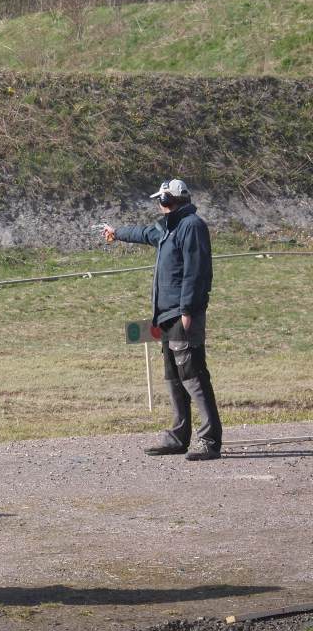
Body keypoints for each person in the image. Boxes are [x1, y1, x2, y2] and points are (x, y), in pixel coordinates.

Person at [103, 179, 222, 461]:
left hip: (182, 314)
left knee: (193, 375)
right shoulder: (168, 229)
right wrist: (117, 232)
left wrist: (188, 310)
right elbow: (144, 233)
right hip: (165, 314)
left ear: (172, 200)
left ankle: (209, 440)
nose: (160, 203)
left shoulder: (191, 226)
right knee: (174, 378)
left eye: (163, 198)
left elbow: (196, 271)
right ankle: (179, 436)